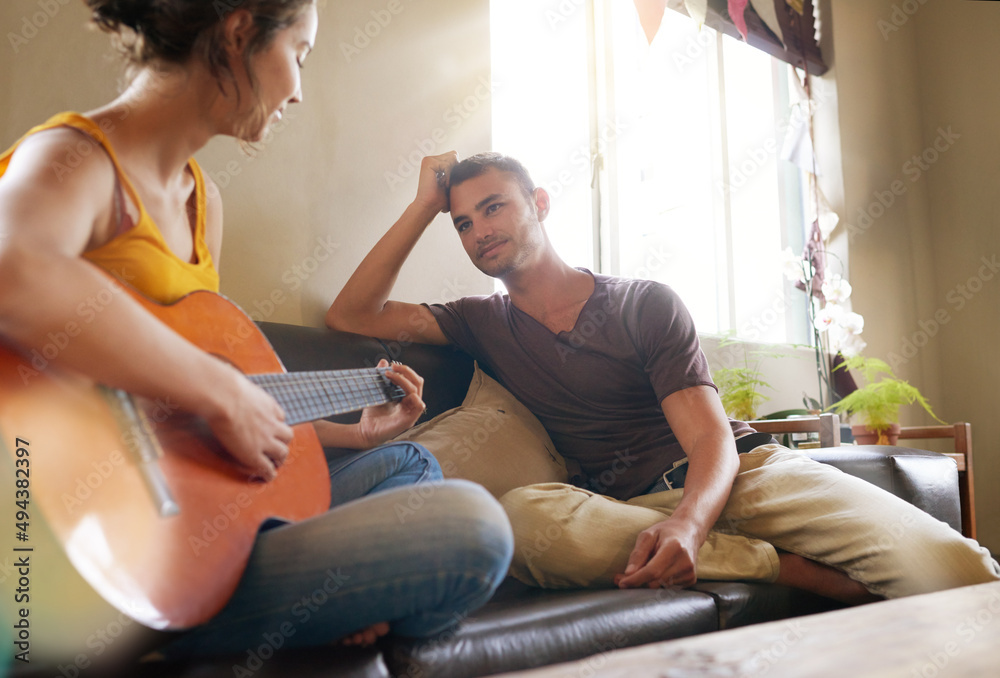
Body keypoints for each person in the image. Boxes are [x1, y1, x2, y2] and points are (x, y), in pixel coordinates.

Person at [0, 0, 512, 665]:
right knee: (475, 528)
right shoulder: (74, 157)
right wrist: (219, 390)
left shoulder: (202, 203)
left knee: (408, 464)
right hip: (82, 551)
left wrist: (341, 432)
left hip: (192, 516)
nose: (298, 91)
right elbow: (15, 267)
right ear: (241, 31)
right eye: (298, 54)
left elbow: (196, 414)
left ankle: (295, 621)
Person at [327, 150, 1000, 602]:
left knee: (960, 572)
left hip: (743, 476)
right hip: (629, 510)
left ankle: (728, 542)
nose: (479, 232)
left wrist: (689, 526)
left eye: (494, 208)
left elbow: (710, 443)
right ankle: (778, 568)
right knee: (524, 519)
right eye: (463, 223)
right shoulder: (480, 321)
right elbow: (352, 313)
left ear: (539, 202)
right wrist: (424, 204)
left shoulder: (641, 302)